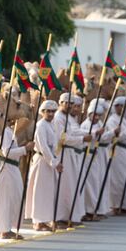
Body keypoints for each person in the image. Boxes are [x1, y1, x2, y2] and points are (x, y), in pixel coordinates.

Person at [0, 113, 32, 239]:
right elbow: (7, 152)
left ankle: (7, 227)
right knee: (5, 199)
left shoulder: (8, 131)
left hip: (11, 167)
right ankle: (4, 229)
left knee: (12, 197)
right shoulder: (4, 131)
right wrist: (25, 149)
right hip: (6, 167)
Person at [53, 94, 89, 227]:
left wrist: (84, 135)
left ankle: (71, 215)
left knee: (71, 185)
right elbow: (62, 138)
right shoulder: (58, 118)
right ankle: (60, 217)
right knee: (64, 186)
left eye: (71, 103)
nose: (69, 105)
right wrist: (82, 139)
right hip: (63, 153)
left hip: (70, 153)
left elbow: (73, 133)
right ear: (60, 103)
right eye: (66, 103)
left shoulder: (67, 118)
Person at [26, 100, 62, 231]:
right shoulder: (41, 125)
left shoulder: (51, 125)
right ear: (42, 112)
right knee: (40, 191)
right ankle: (38, 221)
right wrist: (54, 163)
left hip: (50, 161)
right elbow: (43, 147)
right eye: (48, 111)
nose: (51, 114)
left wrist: (55, 160)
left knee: (48, 191)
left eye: (53, 111)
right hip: (42, 161)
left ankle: (46, 219)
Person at [106, 96, 126, 216]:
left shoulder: (123, 119)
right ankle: (117, 205)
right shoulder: (112, 120)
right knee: (118, 179)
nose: (121, 108)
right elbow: (117, 137)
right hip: (118, 150)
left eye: (123, 106)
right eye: (119, 106)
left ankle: (125, 205)